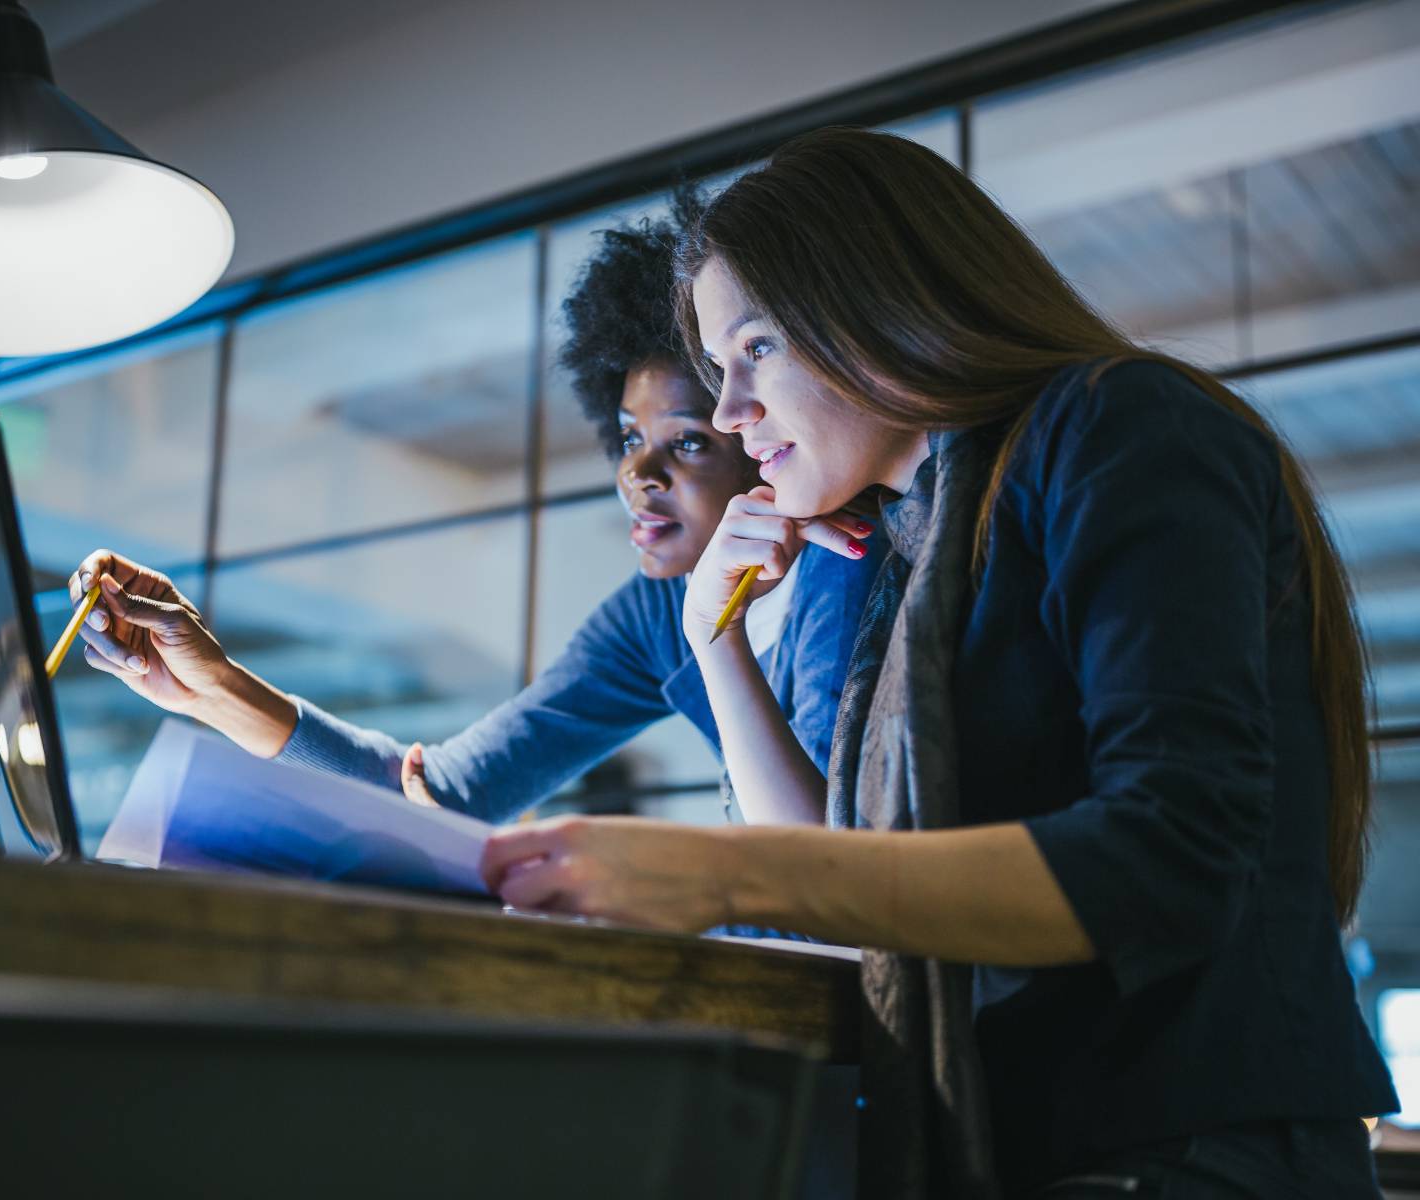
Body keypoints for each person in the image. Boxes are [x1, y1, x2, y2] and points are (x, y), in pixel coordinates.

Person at [479, 129, 1398, 1197]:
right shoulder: (912, 542)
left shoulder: (1118, 424)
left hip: (1191, 1147)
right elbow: (835, 883)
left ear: (873, 300)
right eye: (720, 371)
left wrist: (717, 871)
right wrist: (712, 636)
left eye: (756, 350)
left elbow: (1169, 853)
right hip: (1041, 1146)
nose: (730, 412)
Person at [71, 193, 880, 825]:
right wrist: (210, 685)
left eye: (688, 442)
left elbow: (826, 866)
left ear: (759, 433)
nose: (638, 472)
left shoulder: (849, 567)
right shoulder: (656, 614)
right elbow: (441, 798)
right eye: (629, 436)